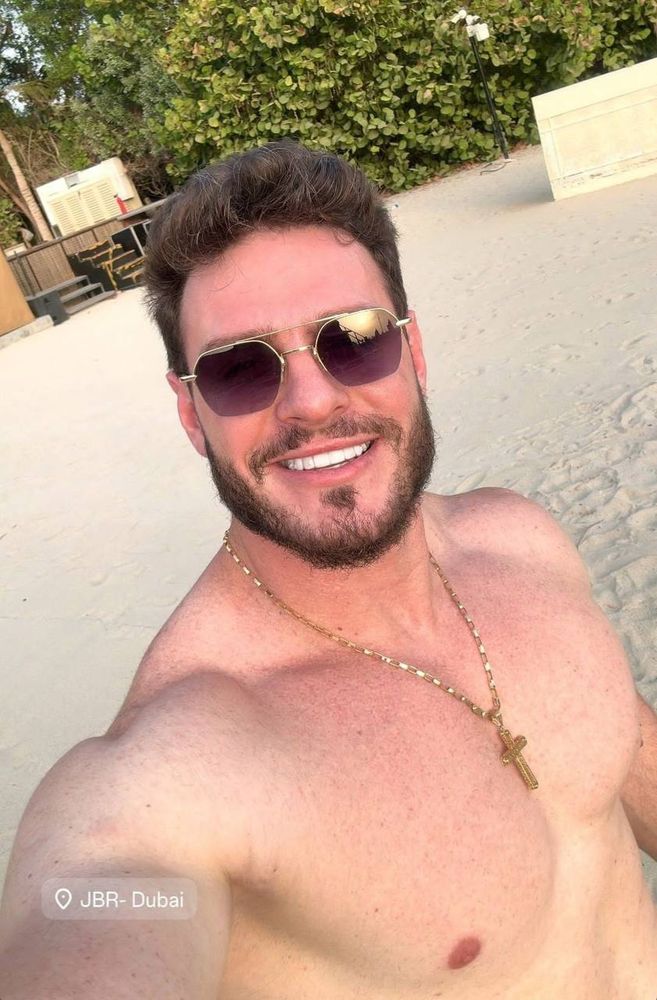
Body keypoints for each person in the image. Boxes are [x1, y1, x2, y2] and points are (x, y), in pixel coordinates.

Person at [1, 141, 656, 999]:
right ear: (191, 413)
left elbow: (623, 747)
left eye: (353, 339)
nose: (312, 403)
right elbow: (91, 907)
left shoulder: (521, 543)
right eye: (240, 368)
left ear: (413, 354)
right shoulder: (174, 773)